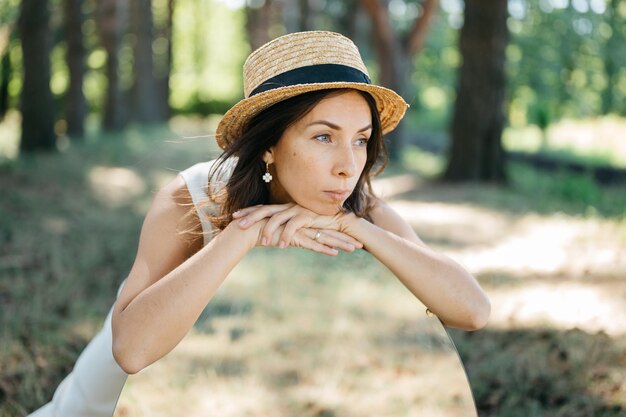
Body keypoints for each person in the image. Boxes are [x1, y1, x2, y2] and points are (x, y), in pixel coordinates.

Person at [28, 30, 490, 416]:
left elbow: (472, 310)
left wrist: (361, 229)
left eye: (361, 139)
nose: (348, 166)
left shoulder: (362, 209)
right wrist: (243, 232)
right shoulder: (190, 200)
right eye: (324, 136)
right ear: (268, 145)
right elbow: (131, 351)